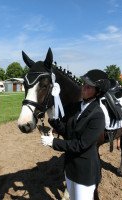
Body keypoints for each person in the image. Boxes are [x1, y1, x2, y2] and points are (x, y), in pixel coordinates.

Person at [41, 69, 111, 200]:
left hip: (85, 172)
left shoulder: (98, 116)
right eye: (83, 84)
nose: (83, 87)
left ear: (97, 92)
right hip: (70, 168)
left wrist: (53, 142)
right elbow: (68, 132)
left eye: (88, 86)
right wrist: (52, 119)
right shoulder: (77, 107)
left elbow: (81, 144)